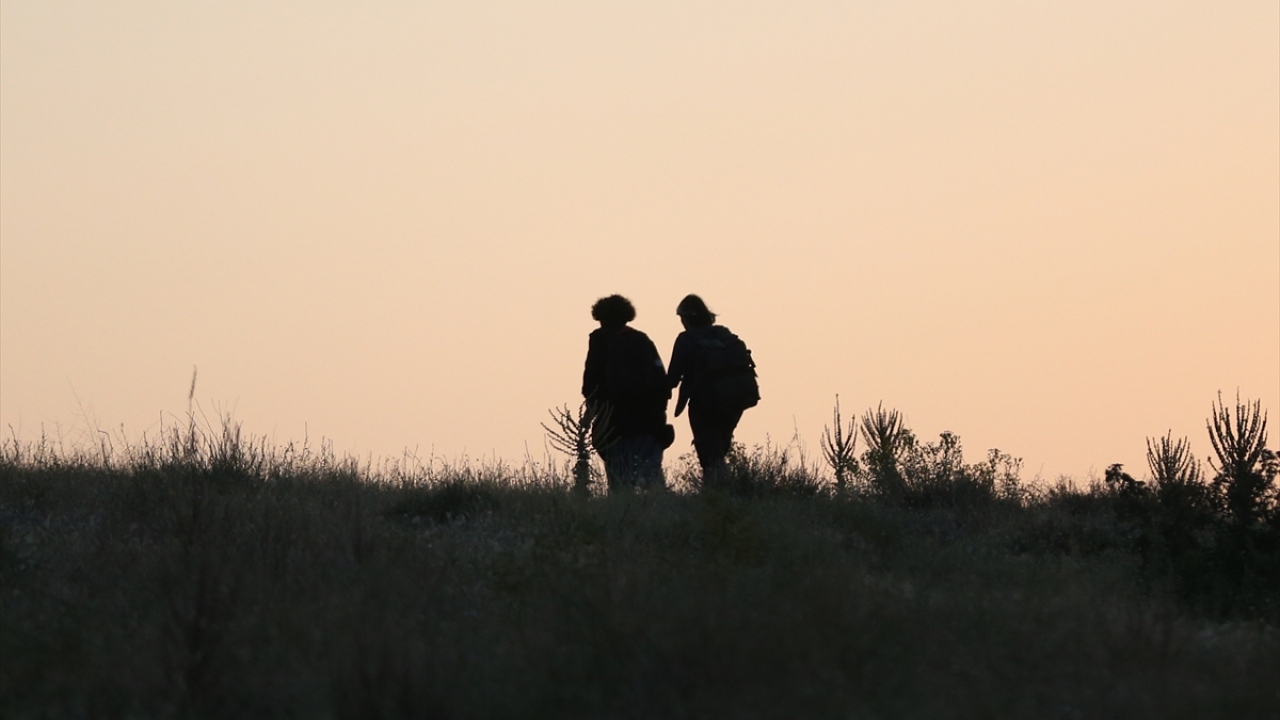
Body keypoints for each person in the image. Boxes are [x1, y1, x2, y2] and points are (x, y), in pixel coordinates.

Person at [582, 295, 672, 490]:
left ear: (601, 318)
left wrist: (589, 417)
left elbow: (591, 385)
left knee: (619, 483)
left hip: (614, 424)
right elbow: (662, 383)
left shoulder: (600, 339)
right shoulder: (642, 340)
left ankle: (623, 514)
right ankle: (662, 515)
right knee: (652, 481)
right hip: (649, 423)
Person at [667, 294, 758, 488]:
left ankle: (716, 494)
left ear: (687, 318)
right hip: (735, 400)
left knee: (709, 452)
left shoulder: (686, 339)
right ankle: (724, 491)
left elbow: (672, 377)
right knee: (720, 448)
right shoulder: (724, 334)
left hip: (705, 402)